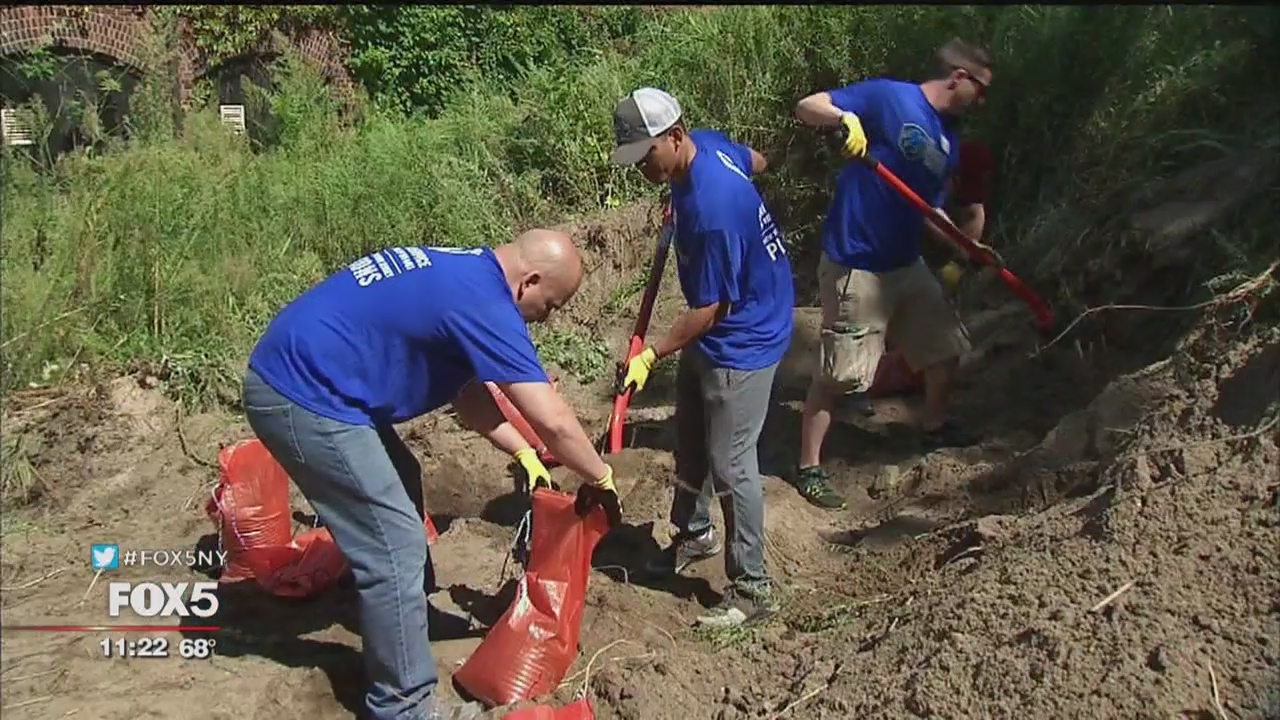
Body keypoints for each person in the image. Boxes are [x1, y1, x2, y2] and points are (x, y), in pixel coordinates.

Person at [241, 230, 619, 720]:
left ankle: (400, 611)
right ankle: (405, 705)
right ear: (529, 282)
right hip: (303, 396)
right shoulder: (486, 303)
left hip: (315, 378)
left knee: (401, 476)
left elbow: (464, 392)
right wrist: (600, 476)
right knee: (394, 546)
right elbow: (555, 420)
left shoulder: (466, 273)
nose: (547, 319)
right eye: (549, 306)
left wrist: (524, 453)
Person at [608, 87, 795, 628]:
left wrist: (652, 354)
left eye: (647, 154)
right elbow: (755, 160)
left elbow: (710, 309)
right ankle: (694, 532)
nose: (642, 167)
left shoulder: (711, 210)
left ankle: (752, 587)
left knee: (732, 462)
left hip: (745, 335)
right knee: (690, 430)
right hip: (724, 328)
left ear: (674, 135)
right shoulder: (708, 151)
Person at [789, 38, 999, 511]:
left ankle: (933, 424)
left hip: (904, 265)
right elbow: (807, 106)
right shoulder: (890, 97)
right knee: (840, 374)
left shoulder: (949, 142)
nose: (983, 101)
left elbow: (930, 210)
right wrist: (844, 119)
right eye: (982, 90)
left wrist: (967, 246)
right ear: (960, 78)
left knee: (944, 348)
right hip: (856, 262)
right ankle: (808, 466)